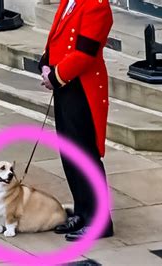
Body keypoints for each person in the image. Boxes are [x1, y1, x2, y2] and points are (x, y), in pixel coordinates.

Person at [39, 0, 114, 241]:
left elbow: (86, 53)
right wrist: (45, 65)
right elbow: (56, 39)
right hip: (66, 87)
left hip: (82, 89)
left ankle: (100, 221)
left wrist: (57, 75)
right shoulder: (69, 2)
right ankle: (83, 212)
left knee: (85, 154)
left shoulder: (96, 5)